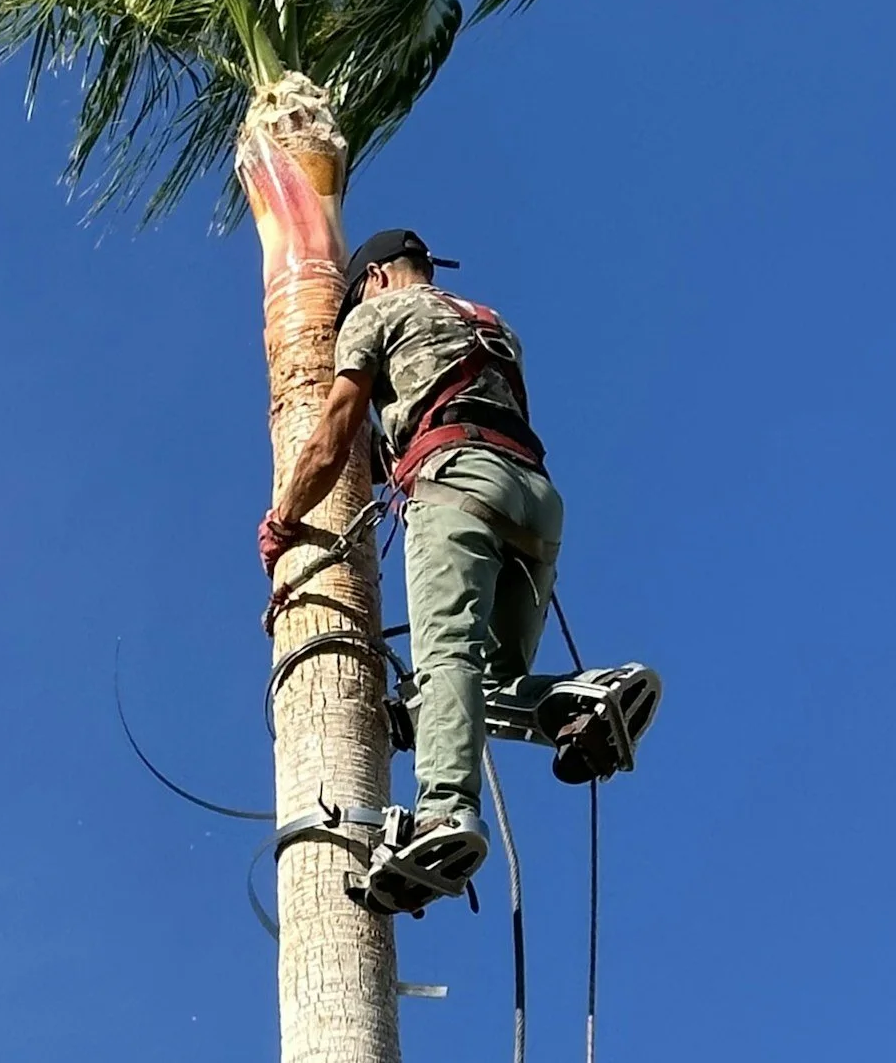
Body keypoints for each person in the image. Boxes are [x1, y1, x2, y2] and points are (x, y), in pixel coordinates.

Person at [258, 228, 658, 913]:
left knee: (446, 655)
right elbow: (445, 397)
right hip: (534, 499)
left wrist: (285, 519)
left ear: (374, 278)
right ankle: (585, 699)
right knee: (484, 683)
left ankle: (443, 811)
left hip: (456, 483)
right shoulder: (490, 323)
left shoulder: (377, 314)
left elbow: (336, 429)